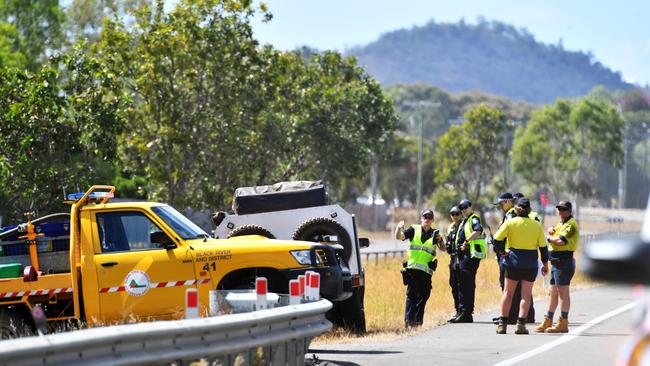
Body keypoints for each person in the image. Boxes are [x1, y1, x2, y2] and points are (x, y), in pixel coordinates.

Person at [493, 197, 549, 334]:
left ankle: (502, 325)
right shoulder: (536, 225)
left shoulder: (510, 223)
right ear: (529, 210)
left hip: (513, 261)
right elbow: (543, 247)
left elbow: (496, 239)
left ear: (516, 209)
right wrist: (545, 264)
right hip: (530, 262)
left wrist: (502, 252)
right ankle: (521, 325)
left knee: (508, 293)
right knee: (525, 295)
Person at [535, 201, 579, 333]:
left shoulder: (571, 225)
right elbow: (556, 233)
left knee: (563, 293)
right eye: (559, 209)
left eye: (564, 210)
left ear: (570, 211)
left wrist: (549, 238)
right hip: (556, 262)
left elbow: (561, 241)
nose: (561, 212)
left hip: (563, 262)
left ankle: (563, 322)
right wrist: (551, 230)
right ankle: (548, 319)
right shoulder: (562, 223)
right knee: (553, 293)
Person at [395, 209, 444, 327]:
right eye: (425, 217)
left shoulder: (435, 234)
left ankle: (417, 323)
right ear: (421, 218)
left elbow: (443, 249)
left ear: (432, 220)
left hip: (426, 271)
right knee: (411, 297)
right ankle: (408, 323)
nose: (427, 219)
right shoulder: (414, 229)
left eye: (429, 217)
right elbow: (400, 237)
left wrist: (440, 240)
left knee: (423, 297)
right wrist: (398, 228)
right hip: (412, 269)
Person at [449, 199, 484, 323]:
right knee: (462, 284)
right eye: (461, 208)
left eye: (465, 207)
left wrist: (466, 241)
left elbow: (478, 230)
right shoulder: (465, 220)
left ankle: (466, 313)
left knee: (467, 284)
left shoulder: (474, 218)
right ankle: (463, 311)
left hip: (470, 256)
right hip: (463, 256)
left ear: (471, 206)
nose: (463, 209)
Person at [444, 206, 463, 322]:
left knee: (461, 286)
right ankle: (457, 310)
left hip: (461, 259)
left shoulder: (464, 225)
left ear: (461, 214)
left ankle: (462, 311)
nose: (455, 216)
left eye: (457, 214)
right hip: (452, 259)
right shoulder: (450, 227)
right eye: (452, 214)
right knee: (453, 285)